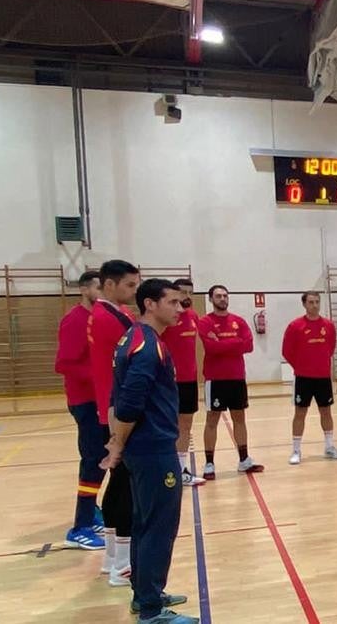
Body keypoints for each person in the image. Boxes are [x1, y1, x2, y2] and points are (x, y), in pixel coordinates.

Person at [102, 278, 196, 624]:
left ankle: (146, 596)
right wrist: (118, 443)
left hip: (144, 448)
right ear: (150, 305)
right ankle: (153, 611)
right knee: (158, 525)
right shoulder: (146, 345)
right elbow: (128, 401)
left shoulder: (134, 338)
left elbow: (117, 398)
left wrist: (118, 441)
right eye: (172, 302)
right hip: (153, 449)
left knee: (144, 523)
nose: (180, 308)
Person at [90, 259, 140, 585]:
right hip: (117, 411)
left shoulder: (111, 315)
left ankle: (112, 558)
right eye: (130, 286)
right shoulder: (110, 319)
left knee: (117, 484)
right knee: (125, 487)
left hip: (111, 408)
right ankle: (122, 563)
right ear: (110, 285)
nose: (134, 293)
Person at [56, 269, 106, 550]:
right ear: (85, 289)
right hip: (84, 400)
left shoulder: (98, 319)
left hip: (100, 399)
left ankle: (91, 511)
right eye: (99, 286)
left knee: (98, 457)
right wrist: (100, 375)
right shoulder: (74, 321)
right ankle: (80, 526)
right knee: (92, 458)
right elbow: (64, 363)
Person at [198, 285, 262, 480]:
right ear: (211, 299)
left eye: (225, 295)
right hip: (215, 379)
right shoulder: (205, 322)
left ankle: (244, 460)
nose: (223, 299)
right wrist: (235, 343)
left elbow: (249, 345)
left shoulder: (238, 321)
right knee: (212, 421)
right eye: (218, 296)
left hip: (237, 378)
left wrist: (222, 343)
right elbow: (211, 348)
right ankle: (209, 463)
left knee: (239, 419)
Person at [282, 291, 337, 465]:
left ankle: (330, 447)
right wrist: (301, 366)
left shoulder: (329, 326)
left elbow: (330, 348)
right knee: (300, 412)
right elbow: (287, 351)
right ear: (304, 304)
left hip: (323, 377)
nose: (315, 305)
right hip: (303, 378)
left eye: (317, 302)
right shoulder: (295, 326)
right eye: (311, 302)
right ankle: (296, 450)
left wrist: (319, 364)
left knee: (326, 411)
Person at [160, 278, 204, 486]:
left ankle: (180, 470)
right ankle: (166, 469)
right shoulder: (167, 318)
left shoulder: (193, 316)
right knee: (168, 425)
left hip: (189, 380)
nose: (187, 297)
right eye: (183, 292)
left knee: (186, 425)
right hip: (169, 380)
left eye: (190, 292)